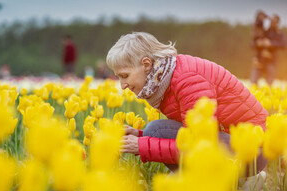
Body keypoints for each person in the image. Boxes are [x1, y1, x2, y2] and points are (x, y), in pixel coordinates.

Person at [106, 32, 268, 174]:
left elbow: (201, 144)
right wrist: (139, 137)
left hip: (252, 151)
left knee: (155, 133)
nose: (122, 85)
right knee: (153, 131)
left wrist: (142, 146)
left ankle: (222, 188)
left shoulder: (188, 80)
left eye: (125, 76)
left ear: (147, 64)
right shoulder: (166, 78)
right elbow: (190, 133)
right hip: (228, 139)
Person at [250, 13, 286, 84]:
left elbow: (283, 45)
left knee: (269, 83)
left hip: (271, 61)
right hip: (260, 60)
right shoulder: (264, 32)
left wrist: (271, 43)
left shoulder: (280, 34)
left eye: (274, 21)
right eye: (271, 21)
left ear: (278, 23)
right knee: (253, 82)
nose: (272, 23)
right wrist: (258, 43)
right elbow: (253, 43)